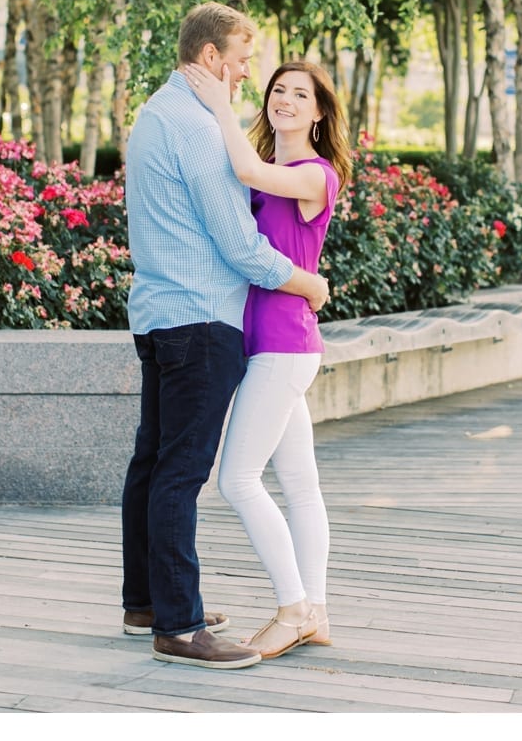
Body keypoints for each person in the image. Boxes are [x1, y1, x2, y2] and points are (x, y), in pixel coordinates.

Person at [120, 1, 331, 671]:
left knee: (153, 465)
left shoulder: (155, 113)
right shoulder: (201, 128)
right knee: (185, 473)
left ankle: (149, 602)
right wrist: (307, 283)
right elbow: (241, 246)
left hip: (159, 314)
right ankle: (179, 626)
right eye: (243, 60)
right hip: (203, 320)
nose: (247, 74)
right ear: (212, 57)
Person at [180, 55, 352, 660]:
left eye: (299, 95)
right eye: (278, 91)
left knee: (236, 479)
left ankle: (293, 608)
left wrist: (220, 103)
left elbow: (245, 165)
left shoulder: (315, 174)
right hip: (272, 346)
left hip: (283, 347)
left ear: (319, 111)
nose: (284, 100)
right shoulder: (270, 172)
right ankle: (319, 612)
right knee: (301, 485)